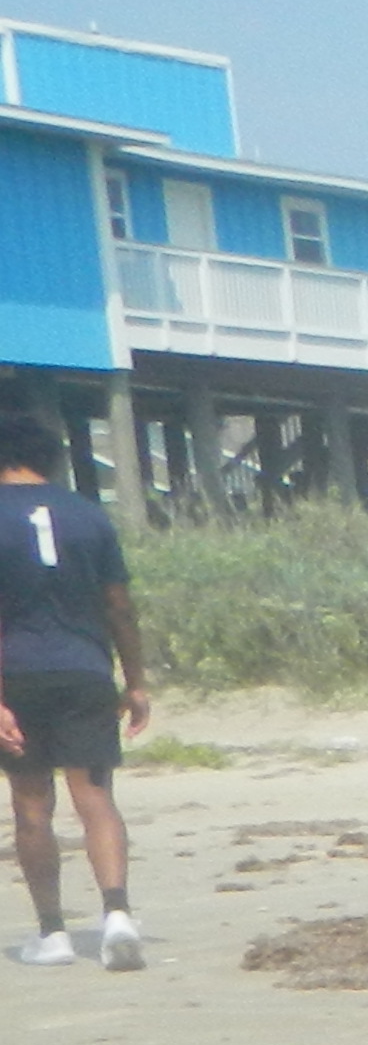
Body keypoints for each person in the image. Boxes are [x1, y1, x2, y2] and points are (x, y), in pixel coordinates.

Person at [0, 413, 149, 972]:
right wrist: (135, 681)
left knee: (32, 804)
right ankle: (117, 914)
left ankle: (53, 932)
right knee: (96, 797)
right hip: (85, 668)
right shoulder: (89, 516)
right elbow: (119, 606)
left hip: (17, 674)